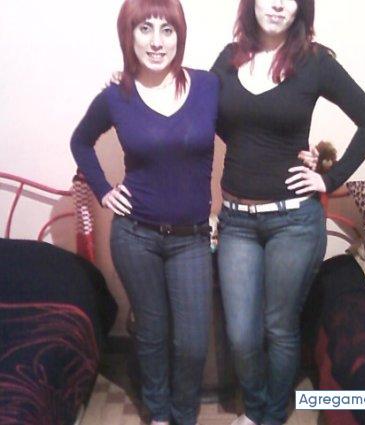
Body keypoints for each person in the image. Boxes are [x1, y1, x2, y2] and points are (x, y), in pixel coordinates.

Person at [210, 1, 365, 424]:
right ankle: (255, 409)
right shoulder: (229, 59)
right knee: (241, 333)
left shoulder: (315, 62)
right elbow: (201, 111)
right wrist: (133, 82)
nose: (276, 3)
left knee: (279, 326)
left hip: (293, 222)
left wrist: (330, 177)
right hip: (236, 221)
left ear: (300, 8)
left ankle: (269, 416)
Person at [70, 1, 220, 424]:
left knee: (192, 341)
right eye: (145, 29)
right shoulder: (116, 95)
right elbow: (80, 141)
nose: (156, 41)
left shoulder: (208, 86)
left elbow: (251, 124)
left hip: (192, 238)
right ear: (129, 36)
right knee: (152, 334)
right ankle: (158, 413)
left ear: (179, 36)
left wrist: (301, 153)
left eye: (167, 30)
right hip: (135, 236)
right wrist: (103, 191)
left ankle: (183, 414)